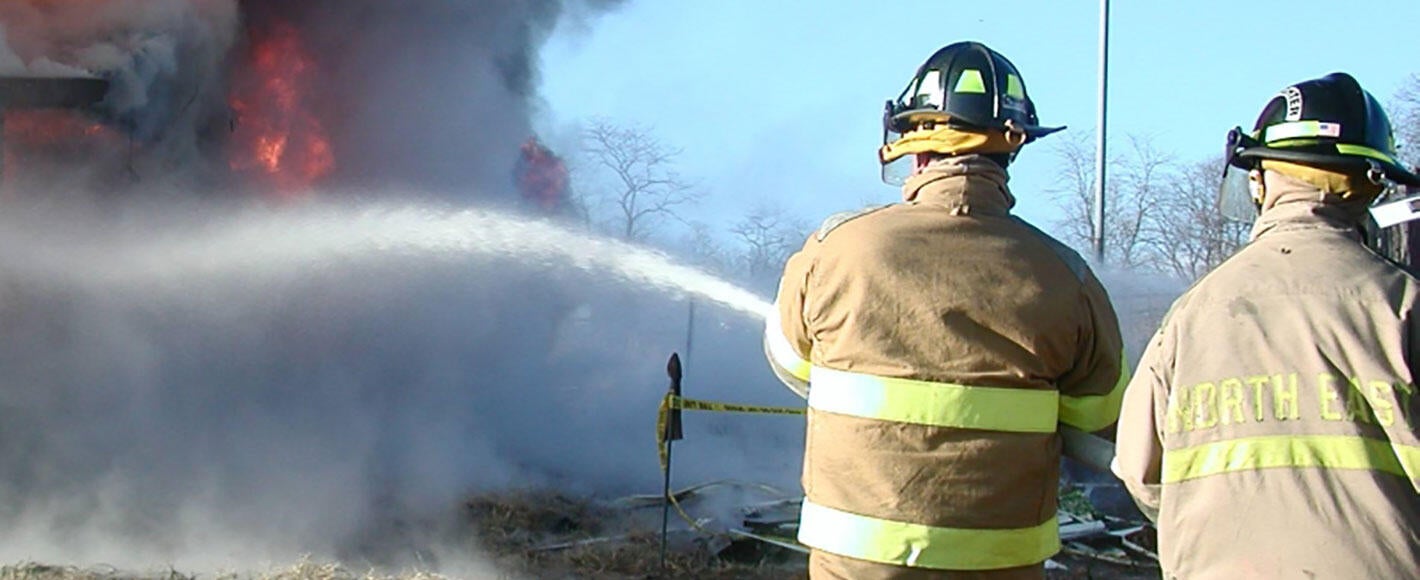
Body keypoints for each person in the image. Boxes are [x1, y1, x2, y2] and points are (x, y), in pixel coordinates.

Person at [763, 41, 1129, 579]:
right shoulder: (1066, 276)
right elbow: (1097, 412)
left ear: (915, 147)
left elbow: (791, 363)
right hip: (998, 564)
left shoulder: (835, 249)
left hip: (858, 565)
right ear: (1012, 149)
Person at [1112, 72, 1420, 579]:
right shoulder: (1402, 306)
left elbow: (1138, 470)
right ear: (1369, 184)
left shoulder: (1190, 317)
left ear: (1257, 179)